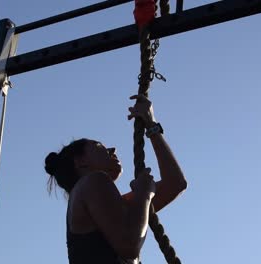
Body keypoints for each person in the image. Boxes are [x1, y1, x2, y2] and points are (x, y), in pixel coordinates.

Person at [44, 94, 187, 264]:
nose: (112, 149)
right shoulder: (92, 181)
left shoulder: (107, 204)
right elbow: (129, 246)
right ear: (81, 162)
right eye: (98, 145)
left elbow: (175, 184)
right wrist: (144, 195)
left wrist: (152, 125)